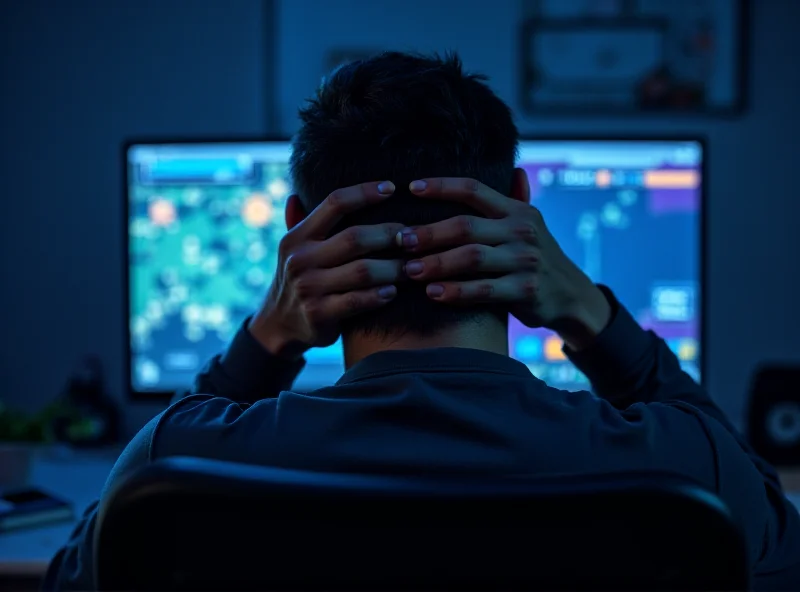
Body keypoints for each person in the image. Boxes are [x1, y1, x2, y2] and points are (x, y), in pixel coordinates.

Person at [45, 52, 800, 590]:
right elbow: (777, 536)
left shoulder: (175, 470)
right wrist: (593, 314)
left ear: (299, 231)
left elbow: (71, 577)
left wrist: (262, 344)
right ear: (523, 209)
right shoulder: (685, 467)